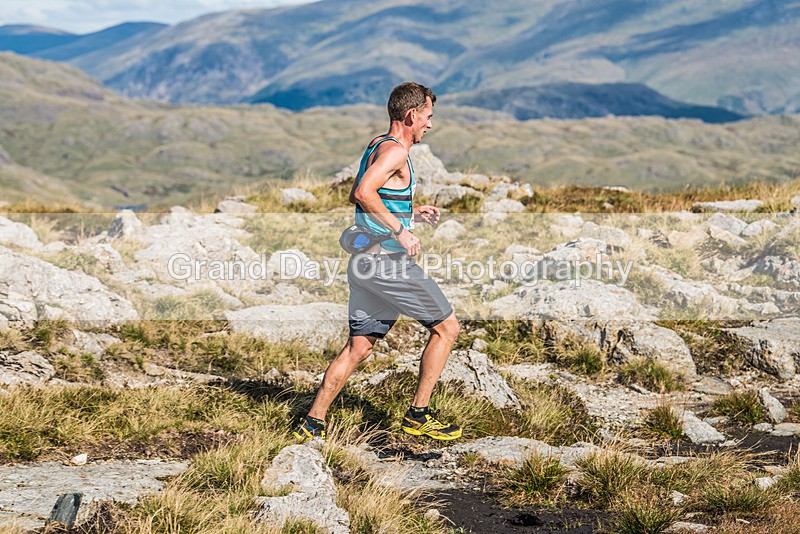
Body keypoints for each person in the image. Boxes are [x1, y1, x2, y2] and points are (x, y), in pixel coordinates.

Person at [294, 82, 462, 442]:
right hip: (388, 265)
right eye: (428, 116)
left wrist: (410, 214)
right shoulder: (396, 153)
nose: (430, 125)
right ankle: (419, 414)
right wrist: (401, 230)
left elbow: (374, 200)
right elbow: (363, 193)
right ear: (411, 115)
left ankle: (312, 423)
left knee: (359, 348)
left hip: (364, 263)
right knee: (447, 329)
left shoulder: (377, 145)